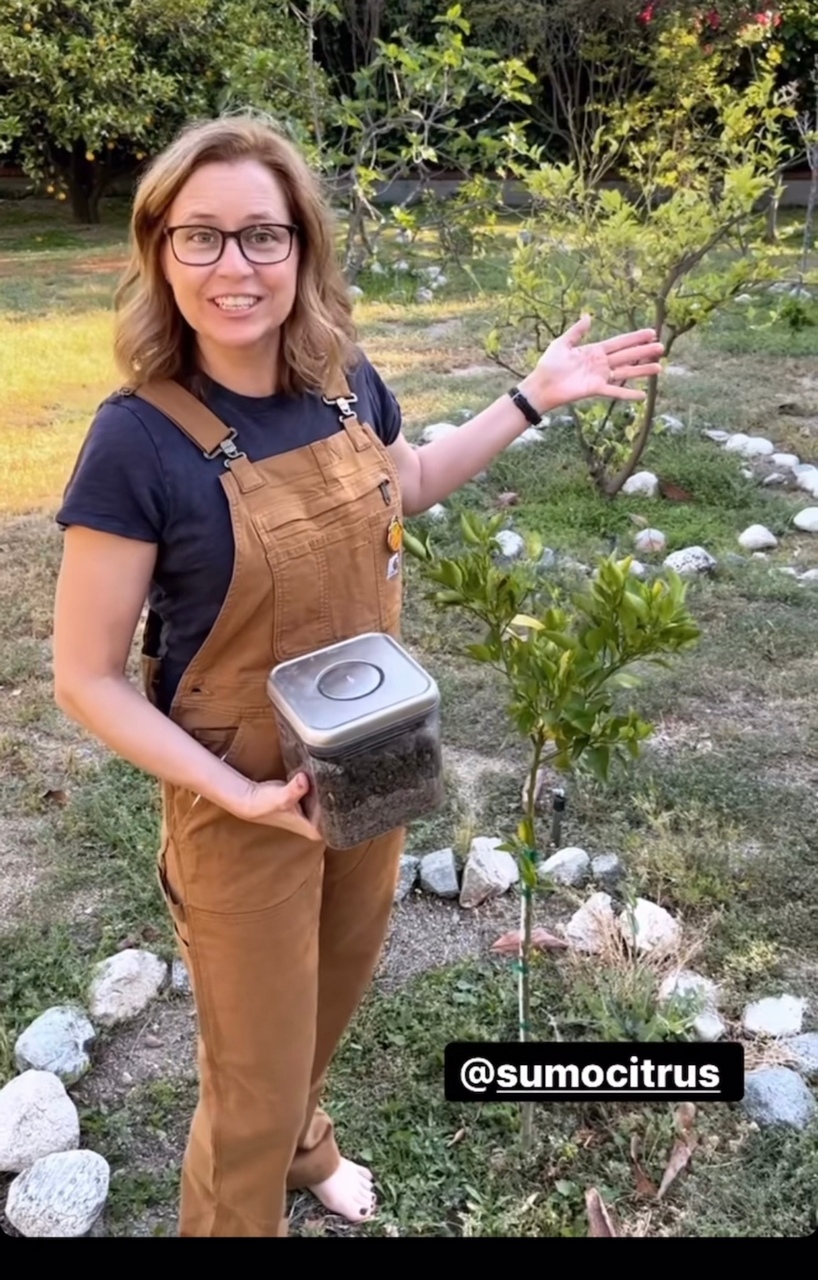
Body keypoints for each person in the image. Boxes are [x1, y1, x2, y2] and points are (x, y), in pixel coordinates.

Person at [51, 112, 664, 1238]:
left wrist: (530, 397)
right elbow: (84, 677)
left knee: (321, 1010)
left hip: (371, 763)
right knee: (249, 1080)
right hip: (241, 803)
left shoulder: (341, 383)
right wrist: (234, 794)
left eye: (262, 236)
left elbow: (411, 478)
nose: (234, 267)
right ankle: (250, 1189)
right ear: (159, 253)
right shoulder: (134, 441)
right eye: (201, 237)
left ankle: (304, 1144)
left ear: (301, 248)